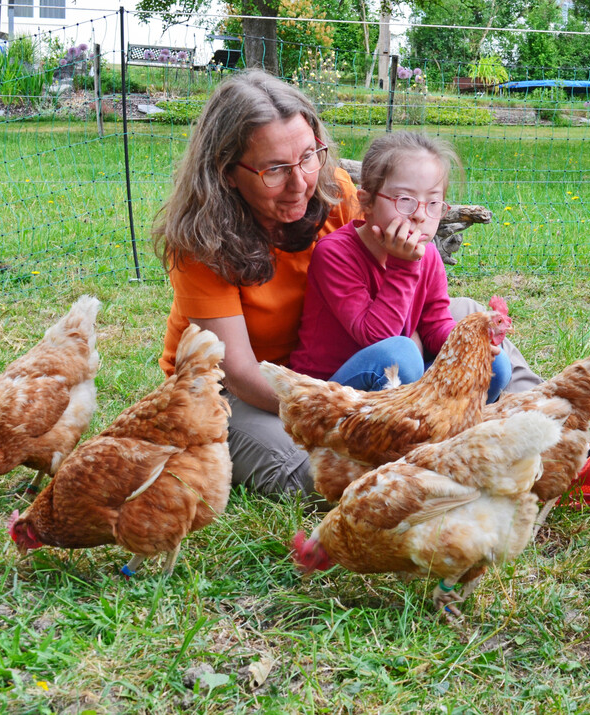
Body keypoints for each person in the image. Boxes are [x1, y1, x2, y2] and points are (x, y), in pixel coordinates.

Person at [153, 73, 540, 498]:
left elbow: (401, 312)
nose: (300, 184)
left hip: (347, 352)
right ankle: (430, 470)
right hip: (244, 392)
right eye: (275, 170)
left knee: (470, 320)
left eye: (308, 157)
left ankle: (549, 427)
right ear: (227, 171)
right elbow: (242, 375)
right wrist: (337, 414)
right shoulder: (200, 244)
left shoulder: (334, 193)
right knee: (319, 476)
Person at [289, 131, 511, 401]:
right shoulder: (335, 254)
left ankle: (436, 430)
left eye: (433, 203)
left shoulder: (428, 256)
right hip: (332, 393)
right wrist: (404, 266)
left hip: (398, 386)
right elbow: (377, 338)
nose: (419, 214)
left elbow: (434, 325)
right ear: (366, 202)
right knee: (401, 356)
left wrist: (467, 340)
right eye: (405, 200)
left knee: (493, 366)